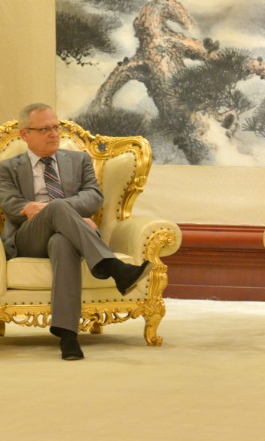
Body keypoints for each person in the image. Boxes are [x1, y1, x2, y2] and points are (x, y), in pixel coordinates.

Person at [0, 103, 152, 360]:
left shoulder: (79, 160)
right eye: (44, 129)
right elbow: (11, 205)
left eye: (55, 127)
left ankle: (68, 336)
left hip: (69, 235)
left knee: (62, 242)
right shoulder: (6, 168)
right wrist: (66, 214)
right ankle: (113, 267)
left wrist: (64, 216)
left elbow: (93, 197)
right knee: (58, 208)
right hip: (29, 237)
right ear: (25, 134)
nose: (54, 133)